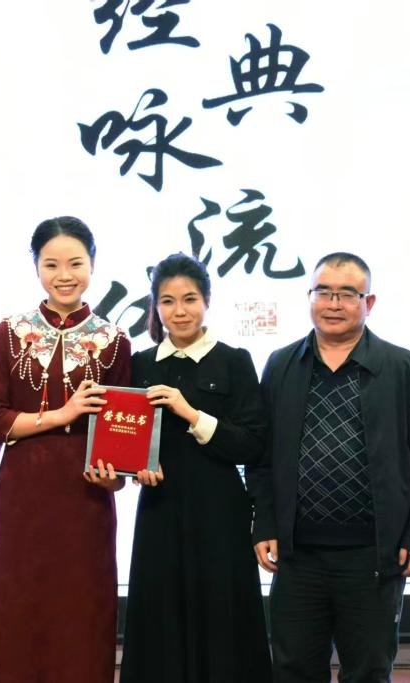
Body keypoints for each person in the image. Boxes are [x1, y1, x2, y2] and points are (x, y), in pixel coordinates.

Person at [246, 252, 410, 683]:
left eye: (347, 294)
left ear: (368, 303)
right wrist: (263, 523)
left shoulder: (403, 368)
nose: (333, 304)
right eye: (323, 292)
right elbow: (261, 458)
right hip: (298, 557)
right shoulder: (282, 365)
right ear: (310, 298)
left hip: (373, 557)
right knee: (293, 670)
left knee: (368, 672)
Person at [0, 216, 131, 683]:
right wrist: (63, 415)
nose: (64, 275)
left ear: (93, 264)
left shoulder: (114, 341)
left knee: (84, 615)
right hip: (22, 498)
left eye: (75, 263)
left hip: (85, 501)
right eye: (51, 265)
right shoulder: (9, 332)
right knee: (20, 609)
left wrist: (115, 477)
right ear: (36, 267)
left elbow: (122, 436)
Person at [120, 253, 272, 683]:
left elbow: (252, 443)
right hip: (160, 510)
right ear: (155, 308)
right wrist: (135, 467)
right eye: (167, 302)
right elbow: (126, 436)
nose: (180, 311)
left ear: (207, 301)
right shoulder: (140, 363)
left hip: (220, 513)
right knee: (160, 619)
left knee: (223, 620)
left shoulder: (234, 360)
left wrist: (191, 413)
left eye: (189, 299)